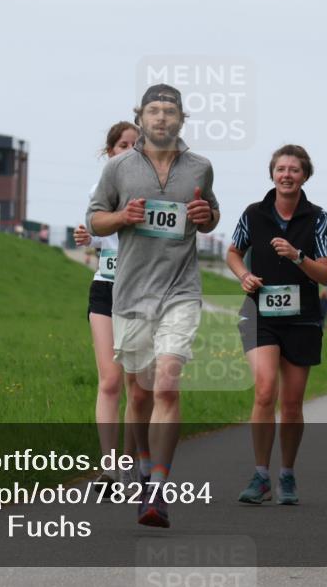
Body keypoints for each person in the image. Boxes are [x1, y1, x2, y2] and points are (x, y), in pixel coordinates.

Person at [86, 84, 220, 528]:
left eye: (170, 111)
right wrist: (123, 217)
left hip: (180, 290)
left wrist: (206, 218)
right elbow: (95, 218)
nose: (161, 118)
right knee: (139, 393)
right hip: (131, 294)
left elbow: (211, 215)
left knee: (165, 386)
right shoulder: (120, 168)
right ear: (140, 117)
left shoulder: (200, 166)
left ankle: (158, 493)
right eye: (153, 111)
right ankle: (141, 471)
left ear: (181, 120)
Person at [226, 145, 327, 506]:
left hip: (302, 319)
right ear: (272, 174)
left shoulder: (317, 218)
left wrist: (297, 255)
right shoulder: (254, 213)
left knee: (291, 404)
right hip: (260, 315)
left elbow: (326, 275)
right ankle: (260, 476)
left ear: (305, 176)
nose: (287, 175)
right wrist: (243, 275)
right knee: (264, 389)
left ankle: (286, 474)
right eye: (281, 169)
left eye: (294, 170)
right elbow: (233, 252)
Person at [73, 121, 139, 489]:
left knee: (135, 381)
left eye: (134, 146)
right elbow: (95, 235)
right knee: (110, 380)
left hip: (140, 293)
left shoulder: (152, 192)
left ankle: (131, 464)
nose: (127, 151)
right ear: (110, 151)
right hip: (105, 289)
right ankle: (109, 467)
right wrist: (87, 236)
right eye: (121, 146)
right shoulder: (99, 190)